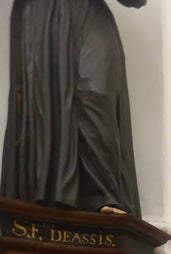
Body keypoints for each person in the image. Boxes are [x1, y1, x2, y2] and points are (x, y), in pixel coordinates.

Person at [1, 0, 144, 216]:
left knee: (97, 94)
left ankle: (103, 196)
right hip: (43, 18)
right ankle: (49, 197)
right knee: (45, 109)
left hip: (89, 11)